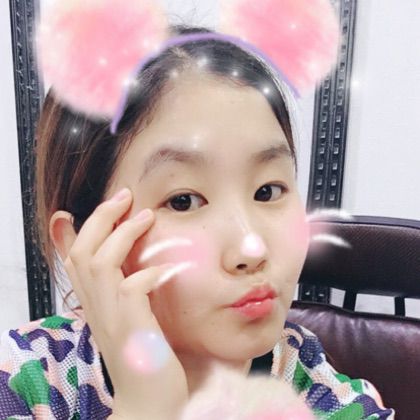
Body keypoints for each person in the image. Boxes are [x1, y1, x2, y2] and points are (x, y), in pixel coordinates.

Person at [0, 22, 394, 419]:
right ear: (83, 240)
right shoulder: (25, 379)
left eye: (267, 191)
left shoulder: (319, 393)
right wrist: (146, 408)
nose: (251, 249)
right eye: (183, 201)